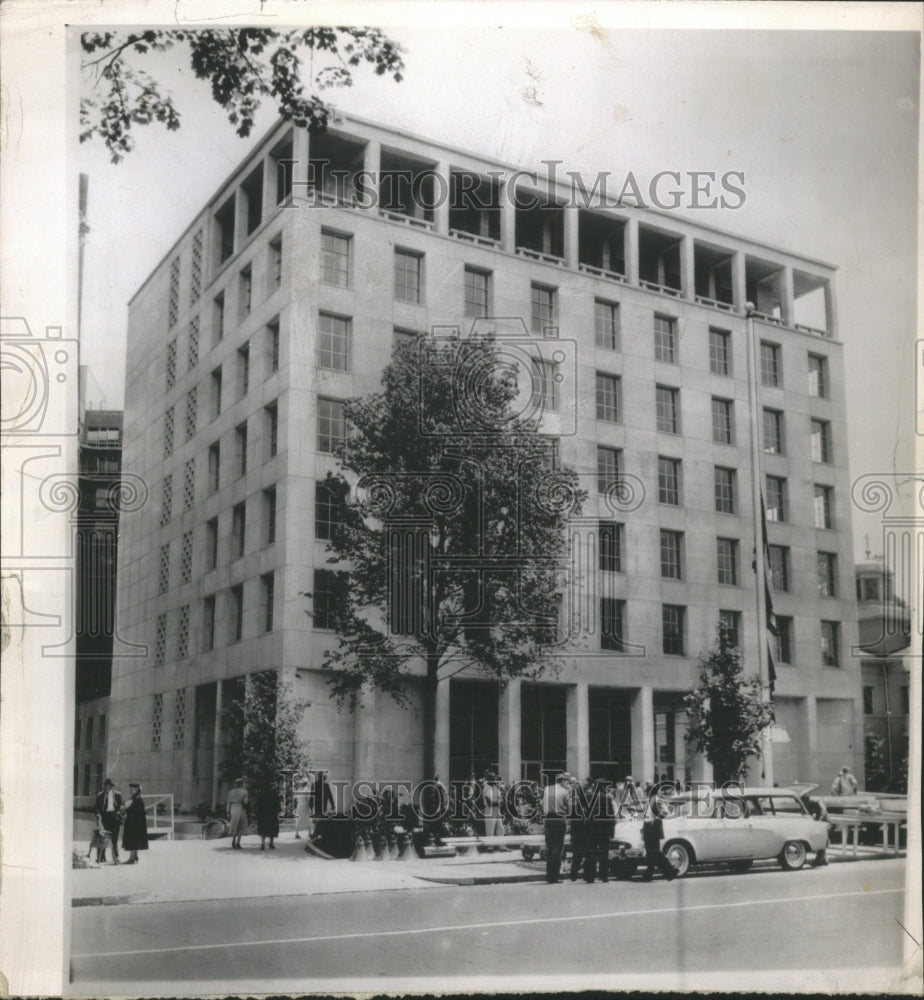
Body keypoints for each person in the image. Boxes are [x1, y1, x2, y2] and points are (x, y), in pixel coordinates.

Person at [584, 779, 616, 884]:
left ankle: (590, 876)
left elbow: (584, 815)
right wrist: (612, 831)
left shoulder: (589, 797)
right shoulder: (606, 798)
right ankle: (604, 876)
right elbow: (611, 815)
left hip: (591, 829)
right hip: (604, 829)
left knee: (590, 852)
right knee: (604, 853)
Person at [541, 772, 571, 884]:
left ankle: (549, 876)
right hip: (559, 819)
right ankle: (555, 876)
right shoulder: (564, 791)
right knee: (557, 849)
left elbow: (542, 803)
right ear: (563, 781)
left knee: (549, 848)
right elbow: (569, 808)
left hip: (548, 819)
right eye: (566, 781)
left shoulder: (547, 789)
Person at [641, 794, 679, 882]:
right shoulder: (650, 799)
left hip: (653, 829)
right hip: (648, 828)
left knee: (654, 852)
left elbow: (665, 811)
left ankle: (670, 871)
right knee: (651, 853)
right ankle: (649, 875)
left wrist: (655, 819)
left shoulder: (657, 799)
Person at [94, 777, 124, 864]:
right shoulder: (100, 795)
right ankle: (101, 857)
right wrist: (98, 815)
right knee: (102, 838)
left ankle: (116, 857)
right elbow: (96, 808)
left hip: (114, 817)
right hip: (104, 818)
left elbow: (120, 807)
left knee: (114, 839)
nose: (106, 787)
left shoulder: (118, 795)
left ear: (111, 786)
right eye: (105, 786)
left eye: (108, 786)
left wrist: (119, 813)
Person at [568, 778, 591, 882]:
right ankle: (586, 875)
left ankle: (573, 875)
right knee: (587, 854)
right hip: (586, 832)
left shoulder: (575, 805)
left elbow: (573, 821)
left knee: (577, 855)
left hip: (577, 833)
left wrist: (572, 834)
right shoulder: (588, 804)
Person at [121, 782, 149, 864]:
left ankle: (132, 857)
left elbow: (135, 811)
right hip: (135, 823)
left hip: (134, 823)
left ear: (136, 789)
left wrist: (126, 810)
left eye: (132, 789)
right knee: (135, 839)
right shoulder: (135, 798)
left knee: (132, 840)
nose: (130, 790)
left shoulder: (137, 799)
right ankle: (135, 856)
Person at [481, 772, 506, 848]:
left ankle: (502, 846)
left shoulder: (495, 788)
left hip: (497, 810)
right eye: (492, 778)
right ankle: (490, 847)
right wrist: (498, 802)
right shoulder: (486, 788)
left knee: (500, 828)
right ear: (488, 780)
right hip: (489, 810)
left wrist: (498, 802)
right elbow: (489, 803)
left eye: (494, 778)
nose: (494, 780)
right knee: (490, 829)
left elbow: (501, 800)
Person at [255, 783, 281, 850]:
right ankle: (271, 843)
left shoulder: (260, 794)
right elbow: (277, 804)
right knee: (272, 828)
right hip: (272, 813)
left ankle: (263, 843)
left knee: (263, 828)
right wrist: (278, 811)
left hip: (263, 814)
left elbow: (257, 804)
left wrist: (258, 813)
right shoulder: (274, 794)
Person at [227, 777, 249, 849]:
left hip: (233, 808)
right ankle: (238, 842)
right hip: (240, 808)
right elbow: (246, 802)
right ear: (242, 784)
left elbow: (228, 803)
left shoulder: (231, 792)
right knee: (240, 825)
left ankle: (233, 839)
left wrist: (228, 812)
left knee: (234, 824)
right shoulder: (245, 792)